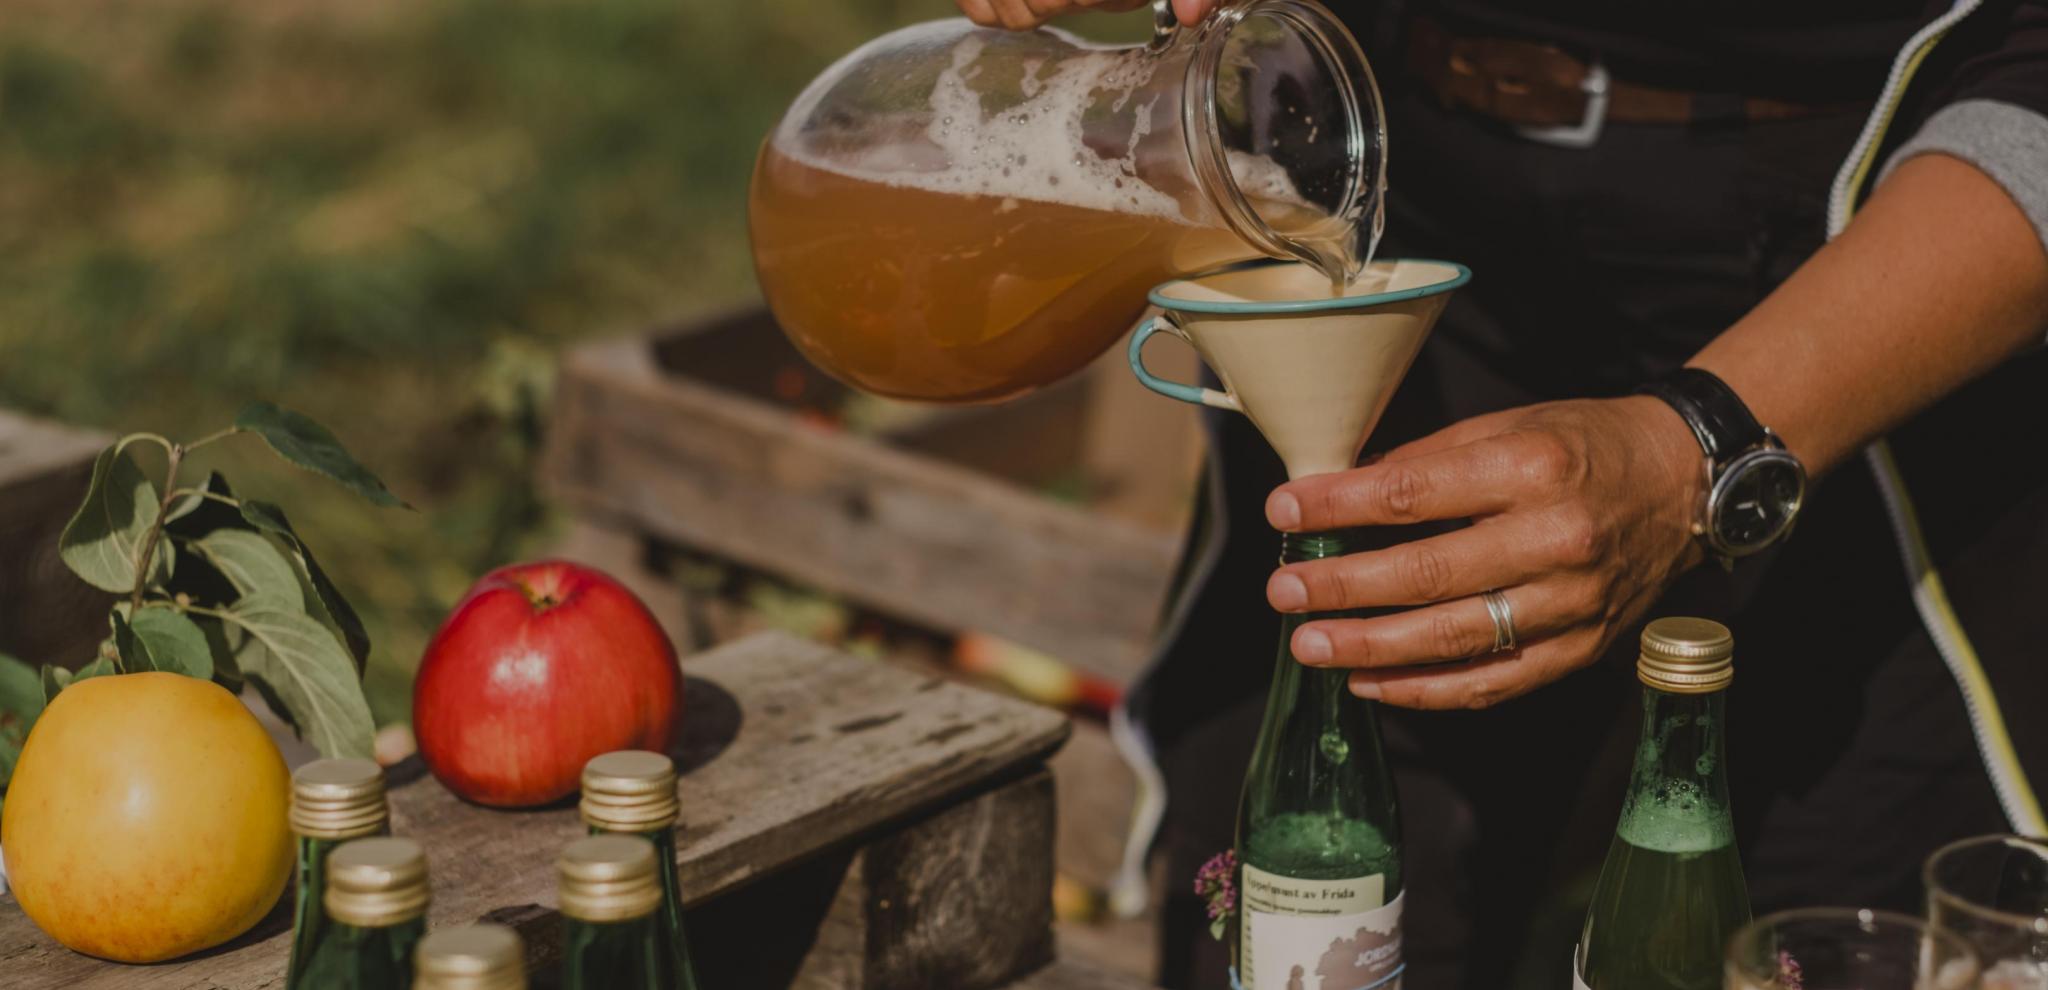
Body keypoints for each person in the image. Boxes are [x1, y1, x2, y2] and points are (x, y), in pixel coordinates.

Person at [960, 0, 2048, 987]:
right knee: (1291, 902)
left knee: (1841, 930)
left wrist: (1698, 448)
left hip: (1893, 237)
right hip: (1388, 179)